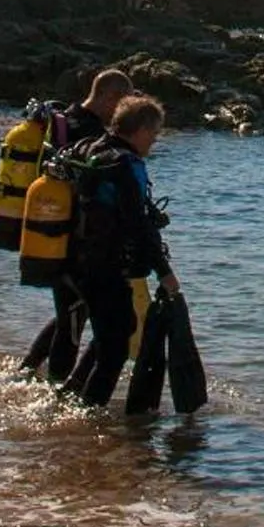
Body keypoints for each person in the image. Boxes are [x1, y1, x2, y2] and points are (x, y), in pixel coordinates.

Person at [64, 94, 179, 408]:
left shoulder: (89, 148)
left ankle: (70, 397)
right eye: (154, 135)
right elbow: (138, 223)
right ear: (140, 130)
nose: (153, 143)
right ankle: (88, 417)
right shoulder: (124, 165)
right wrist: (164, 271)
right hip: (104, 266)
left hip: (71, 261)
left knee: (112, 331)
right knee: (116, 345)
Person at [22, 68, 134, 383]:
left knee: (70, 313)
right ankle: (56, 391)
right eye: (121, 105)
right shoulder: (86, 132)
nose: (120, 115)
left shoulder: (63, 120)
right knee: (73, 317)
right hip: (74, 241)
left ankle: (27, 372)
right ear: (110, 97)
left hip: (55, 232)